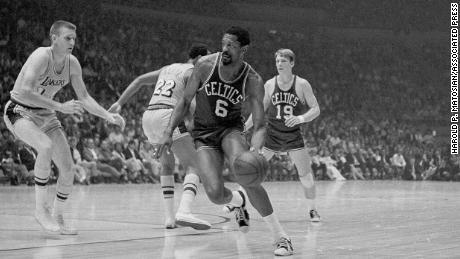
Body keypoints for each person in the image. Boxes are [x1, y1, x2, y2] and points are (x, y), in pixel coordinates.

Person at [158, 26, 293, 256]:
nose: (225, 49)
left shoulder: (252, 79)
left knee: (246, 171)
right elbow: (184, 100)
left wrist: (256, 149)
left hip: (230, 130)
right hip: (204, 134)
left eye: (231, 45)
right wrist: (168, 131)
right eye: (224, 44)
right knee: (214, 194)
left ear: (244, 49)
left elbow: (260, 124)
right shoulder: (205, 65)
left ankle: (281, 237)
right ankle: (238, 200)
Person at [2, 20, 125, 234]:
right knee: (45, 146)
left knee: (67, 171)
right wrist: (60, 106)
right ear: (54, 38)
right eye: (68, 38)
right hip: (20, 110)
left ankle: (57, 216)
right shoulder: (41, 56)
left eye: (74, 39)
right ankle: (41, 210)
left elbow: (84, 97)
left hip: (46, 115)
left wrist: (108, 116)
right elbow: (27, 91)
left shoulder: (72, 63)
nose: (72, 42)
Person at [109, 44, 212, 230]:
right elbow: (191, 104)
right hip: (168, 116)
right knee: (195, 164)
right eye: (208, 59)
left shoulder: (167, 68)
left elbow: (140, 80)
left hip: (148, 117)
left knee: (167, 165)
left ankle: (170, 218)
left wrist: (119, 102)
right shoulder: (192, 72)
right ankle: (185, 211)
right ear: (199, 58)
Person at [245, 49, 321, 222]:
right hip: (271, 135)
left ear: (292, 63)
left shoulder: (302, 84)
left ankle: (312, 210)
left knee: (306, 176)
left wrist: (300, 118)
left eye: (283, 61)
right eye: (277, 61)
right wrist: (245, 126)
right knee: (250, 170)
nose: (279, 64)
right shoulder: (270, 84)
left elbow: (316, 109)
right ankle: (240, 205)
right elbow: (259, 111)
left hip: (293, 135)